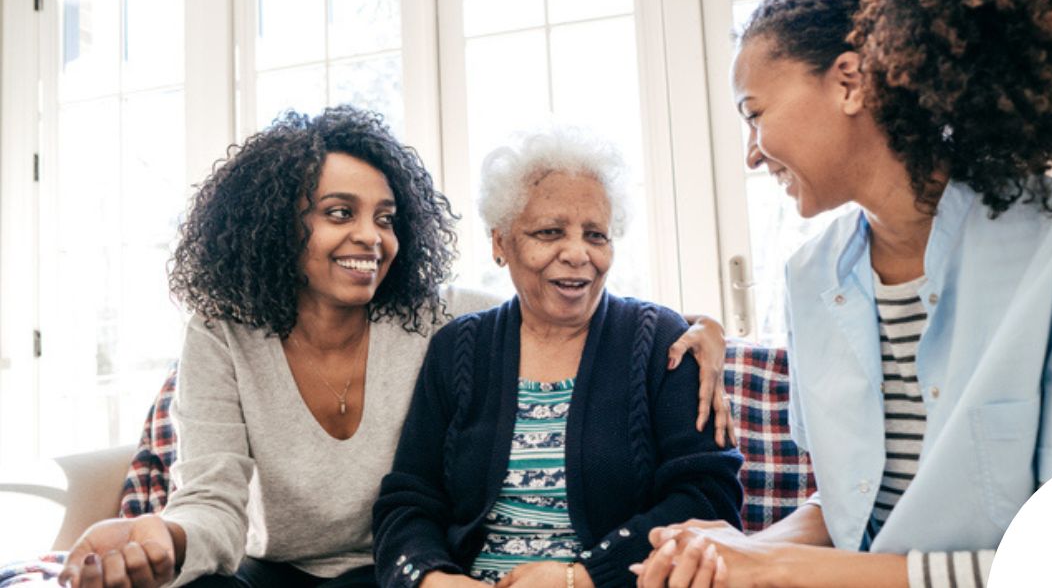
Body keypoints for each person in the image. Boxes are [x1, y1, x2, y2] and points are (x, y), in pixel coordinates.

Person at [635, 0, 1052, 586]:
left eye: (755, 112)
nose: (750, 153)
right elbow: (857, 503)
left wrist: (789, 571)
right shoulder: (808, 275)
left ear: (849, 82)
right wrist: (737, 551)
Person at [56, 107, 729, 588]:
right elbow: (214, 505)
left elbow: (563, 313)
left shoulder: (436, 320)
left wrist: (704, 329)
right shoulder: (226, 334)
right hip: (281, 569)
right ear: (274, 226)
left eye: (385, 218)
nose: (371, 238)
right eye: (338, 213)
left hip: (381, 571)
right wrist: (163, 537)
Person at [371, 127, 744, 588]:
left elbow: (708, 498)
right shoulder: (458, 348)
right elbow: (409, 500)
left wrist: (583, 577)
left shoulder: (662, 343)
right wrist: (431, 578)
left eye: (596, 235)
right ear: (499, 243)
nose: (577, 254)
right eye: (549, 233)